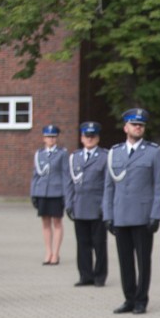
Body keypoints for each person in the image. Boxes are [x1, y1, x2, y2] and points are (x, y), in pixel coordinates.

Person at [103, 108, 160, 314]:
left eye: (141, 125)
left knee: (143, 261)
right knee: (125, 261)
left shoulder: (153, 152)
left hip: (143, 216)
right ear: (126, 127)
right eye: (134, 124)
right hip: (120, 215)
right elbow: (108, 187)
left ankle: (141, 300)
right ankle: (128, 298)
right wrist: (108, 215)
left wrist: (156, 215)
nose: (138, 127)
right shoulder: (114, 152)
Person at [65, 121, 109, 287]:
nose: (89, 139)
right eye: (86, 136)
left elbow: (107, 184)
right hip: (80, 206)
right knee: (82, 244)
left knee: (99, 244)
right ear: (82, 138)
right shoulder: (74, 157)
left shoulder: (105, 156)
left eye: (93, 136)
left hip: (97, 207)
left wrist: (105, 207)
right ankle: (85, 275)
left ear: (97, 138)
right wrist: (69, 204)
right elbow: (69, 183)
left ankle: (99, 276)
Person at [30, 124, 68, 265]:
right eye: (48, 136)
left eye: (53, 137)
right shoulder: (39, 154)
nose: (51, 139)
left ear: (56, 138)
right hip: (42, 193)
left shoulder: (62, 153)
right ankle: (48, 252)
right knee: (45, 223)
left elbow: (65, 175)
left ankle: (56, 254)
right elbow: (35, 176)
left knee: (57, 223)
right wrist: (33, 193)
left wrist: (66, 194)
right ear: (43, 138)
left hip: (57, 192)